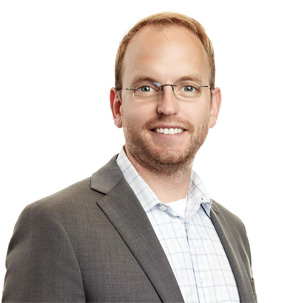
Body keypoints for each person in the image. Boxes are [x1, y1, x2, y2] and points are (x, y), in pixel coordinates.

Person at [2, 12, 257, 303]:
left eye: (188, 87)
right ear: (118, 106)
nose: (168, 107)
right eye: (147, 88)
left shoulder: (234, 231)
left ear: (213, 106)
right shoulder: (55, 225)